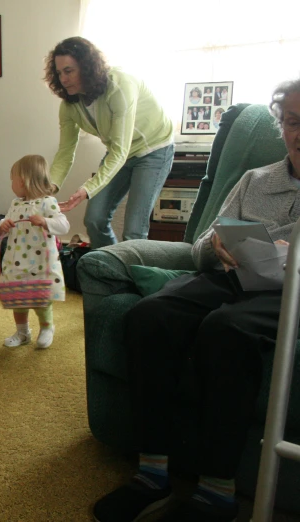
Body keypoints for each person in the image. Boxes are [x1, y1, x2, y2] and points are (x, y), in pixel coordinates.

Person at [92, 78, 300, 522]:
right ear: (281, 124)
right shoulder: (255, 180)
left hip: (292, 294)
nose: (299, 133)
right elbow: (203, 244)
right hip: (233, 277)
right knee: (150, 315)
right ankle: (152, 472)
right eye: (292, 122)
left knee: (225, 331)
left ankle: (217, 491)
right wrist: (217, 247)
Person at [44, 37, 174, 249]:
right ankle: (110, 270)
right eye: (59, 73)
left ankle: (131, 280)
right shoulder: (69, 105)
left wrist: (87, 188)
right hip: (119, 152)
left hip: (154, 149)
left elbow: (120, 151)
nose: (63, 79)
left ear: (86, 67)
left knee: (133, 231)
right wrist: (49, 188)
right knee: (94, 220)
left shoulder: (120, 86)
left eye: (69, 71)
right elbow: (65, 151)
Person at [0, 155, 70, 349]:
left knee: (40, 298)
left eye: (13, 178)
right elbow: (4, 220)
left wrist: (46, 221)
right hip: (17, 260)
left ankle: (47, 327)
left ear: (24, 180)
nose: (11, 183)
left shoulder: (48, 203)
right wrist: (2, 225)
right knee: (18, 299)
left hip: (41, 262)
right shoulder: (15, 203)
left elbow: (64, 225)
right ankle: (22, 332)